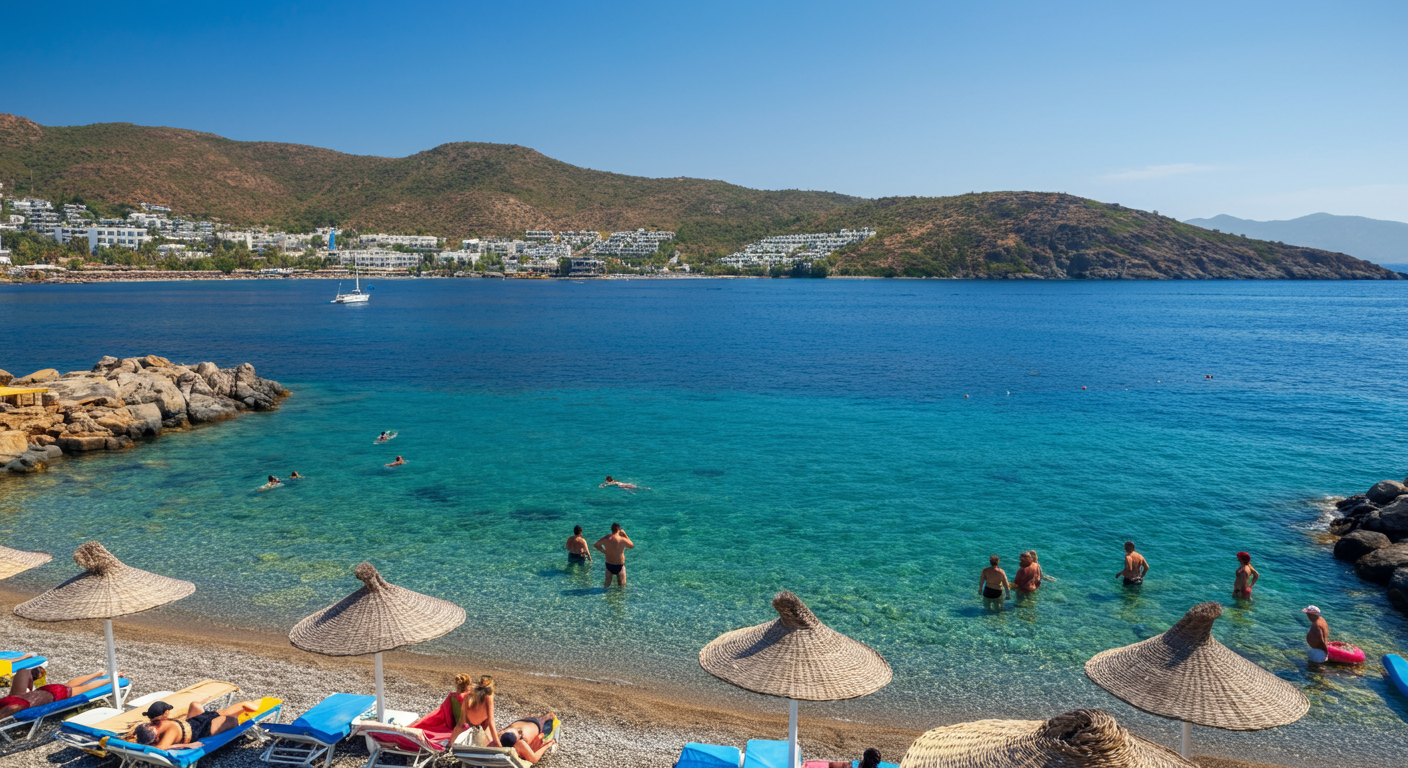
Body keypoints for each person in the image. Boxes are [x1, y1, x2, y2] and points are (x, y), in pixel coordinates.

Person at [126, 698, 264, 750]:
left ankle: (244, 707)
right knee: (230, 719)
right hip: (200, 731)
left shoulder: (155, 723)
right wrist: (187, 745)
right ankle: (244, 709)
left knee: (197, 706)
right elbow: (161, 748)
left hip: (192, 723)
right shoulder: (168, 729)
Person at [0, 667, 121, 719]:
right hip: (46, 689)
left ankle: (111, 678)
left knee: (86, 688)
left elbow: (9, 710)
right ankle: (97, 673)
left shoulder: (16, 705)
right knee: (68, 684)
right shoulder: (12, 698)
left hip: (56, 695)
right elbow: (23, 672)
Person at [449, 674, 497, 747]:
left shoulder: (472, 693)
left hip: (469, 717)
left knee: (460, 725)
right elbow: (491, 721)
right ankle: (489, 742)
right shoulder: (488, 697)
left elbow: (460, 724)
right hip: (478, 720)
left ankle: (449, 744)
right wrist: (497, 743)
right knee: (487, 724)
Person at [494, 713, 558, 764]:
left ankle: (548, 716)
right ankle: (547, 716)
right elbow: (534, 759)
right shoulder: (501, 734)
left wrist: (548, 744)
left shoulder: (520, 743)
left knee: (549, 722)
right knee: (543, 721)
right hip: (523, 723)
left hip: (533, 726)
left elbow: (534, 759)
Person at [593, 523, 634, 588]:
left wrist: (604, 551)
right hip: (619, 565)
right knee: (621, 587)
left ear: (611, 529)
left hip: (609, 565)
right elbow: (631, 546)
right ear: (619, 530)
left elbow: (596, 545)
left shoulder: (606, 538)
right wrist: (625, 535)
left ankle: (606, 595)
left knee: (606, 586)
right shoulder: (622, 539)